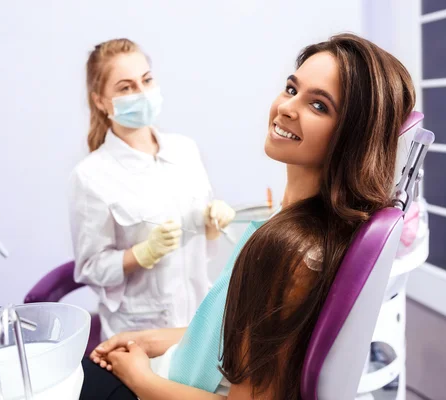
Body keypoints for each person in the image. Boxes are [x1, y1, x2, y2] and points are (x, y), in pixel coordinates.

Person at [79, 32, 415, 399]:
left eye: (319, 106)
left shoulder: (290, 251)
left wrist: (139, 377)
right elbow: (234, 332)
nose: (287, 108)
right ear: (99, 101)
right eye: (291, 89)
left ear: (353, 135)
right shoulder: (302, 228)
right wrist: (153, 340)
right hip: (175, 357)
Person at [69, 38, 235, 340]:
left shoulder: (185, 150)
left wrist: (212, 224)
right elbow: (90, 268)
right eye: (126, 87)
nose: (142, 93)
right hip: (139, 333)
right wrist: (142, 254)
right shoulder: (91, 176)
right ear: (100, 101)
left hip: (199, 322)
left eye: (146, 80)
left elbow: (202, 246)